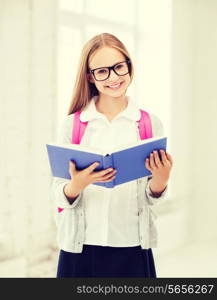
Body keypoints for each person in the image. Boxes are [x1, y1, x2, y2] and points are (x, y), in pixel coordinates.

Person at [51, 33, 173, 278]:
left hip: (132, 246)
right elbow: (58, 194)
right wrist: (77, 184)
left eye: (119, 67)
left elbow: (152, 197)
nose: (114, 77)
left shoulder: (149, 124)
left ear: (129, 66)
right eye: (102, 71)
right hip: (80, 247)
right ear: (90, 77)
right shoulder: (73, 126)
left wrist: (162, 179)